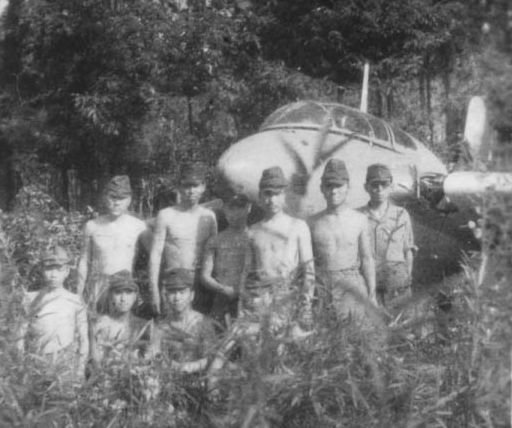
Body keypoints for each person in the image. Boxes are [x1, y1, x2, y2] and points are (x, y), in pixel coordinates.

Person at [309, 159, 377, 321]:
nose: (333, 192)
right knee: (323, 337)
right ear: (322, 189)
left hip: (351, 285)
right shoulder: (312, 222)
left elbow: (367, 259)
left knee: (354, 336)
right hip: (322, 286)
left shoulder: (359, 220)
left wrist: (372, 295)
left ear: (347, 187)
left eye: (338, 186)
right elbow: (307, 264)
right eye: (329, 186)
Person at [248, 166, 315, 326]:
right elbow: (249, 273)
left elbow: (309, 271)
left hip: (289, 296)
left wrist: (306, 306)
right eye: (267, 194)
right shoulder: (253, 231)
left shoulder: (298, 226)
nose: (272, 200)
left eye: (277, 194)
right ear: (260, 196)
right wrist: (249, 303)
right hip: (261, 300)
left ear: (285, 195)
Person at [149, 163, 217, 314]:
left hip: (200, 284)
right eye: (186, 186)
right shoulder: (166, 215)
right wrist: (154, 289)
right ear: (179, 187)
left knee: (198, 329)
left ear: (203, 187)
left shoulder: (208, 217)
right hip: (173, 283)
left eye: (195, 185)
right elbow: (155, 255)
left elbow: (213, 255)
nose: (191, 191)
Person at [17, 246, 88, 381]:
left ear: (67, 271)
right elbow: (20, 335)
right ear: (42, 270)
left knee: (64, 400)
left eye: (59, 269)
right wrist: (22, 366)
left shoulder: (75, 300)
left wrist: (80, 370)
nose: (53, 275)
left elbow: (84, 339)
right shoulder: (30, 298)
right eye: (49, 269)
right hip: (37, 360)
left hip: (66, 361)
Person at [77, 175, 146, 311]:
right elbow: (84, 261)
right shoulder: (92, 226)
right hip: (99, 288)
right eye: (112, 197)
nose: (116, 202)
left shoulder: (138, 226)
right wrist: (79, 293)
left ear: (129, 200)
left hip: (125, 289)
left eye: (121, 198)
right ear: (105, 198)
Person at [359, 163, 415, 311]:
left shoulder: (401, 214)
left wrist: (407, 277)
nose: (379, 190)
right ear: (366, 187)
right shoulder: (358, 216)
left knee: (403, 328)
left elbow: (408, 250)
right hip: (369, 283)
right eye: (374, 185)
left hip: (397, 283)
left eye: (384, 185)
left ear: (391, 186)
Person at [149, 268, 215, 374]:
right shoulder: (161, 326)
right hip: (168, 379)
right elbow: (155, 354)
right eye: (172, 292)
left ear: (191, 295)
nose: (177, 298)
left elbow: (211, 358)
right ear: (165, 296)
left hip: (197, 380)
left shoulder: (203, 323)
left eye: (182, 292)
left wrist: (191, 366)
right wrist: (168, 364)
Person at [201, 193, 251, 328]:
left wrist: (243, 291)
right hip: (221, 299)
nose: (235, 213)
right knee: (218, 340)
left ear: (248, 208)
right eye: (230, 208)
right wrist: (224, 289)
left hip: (248, 299)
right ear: (224, 209)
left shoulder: (254, 237)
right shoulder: (215, 241)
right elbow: (205, 276)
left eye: (239, 207)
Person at [90, 270, 150, 366]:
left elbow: (147, 360)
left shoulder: (142, 327)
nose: (123, 299)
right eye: (118, 293)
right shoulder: (98, 325)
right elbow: (95, 361)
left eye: (128, 292)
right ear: (110, 296)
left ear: (135, 296)